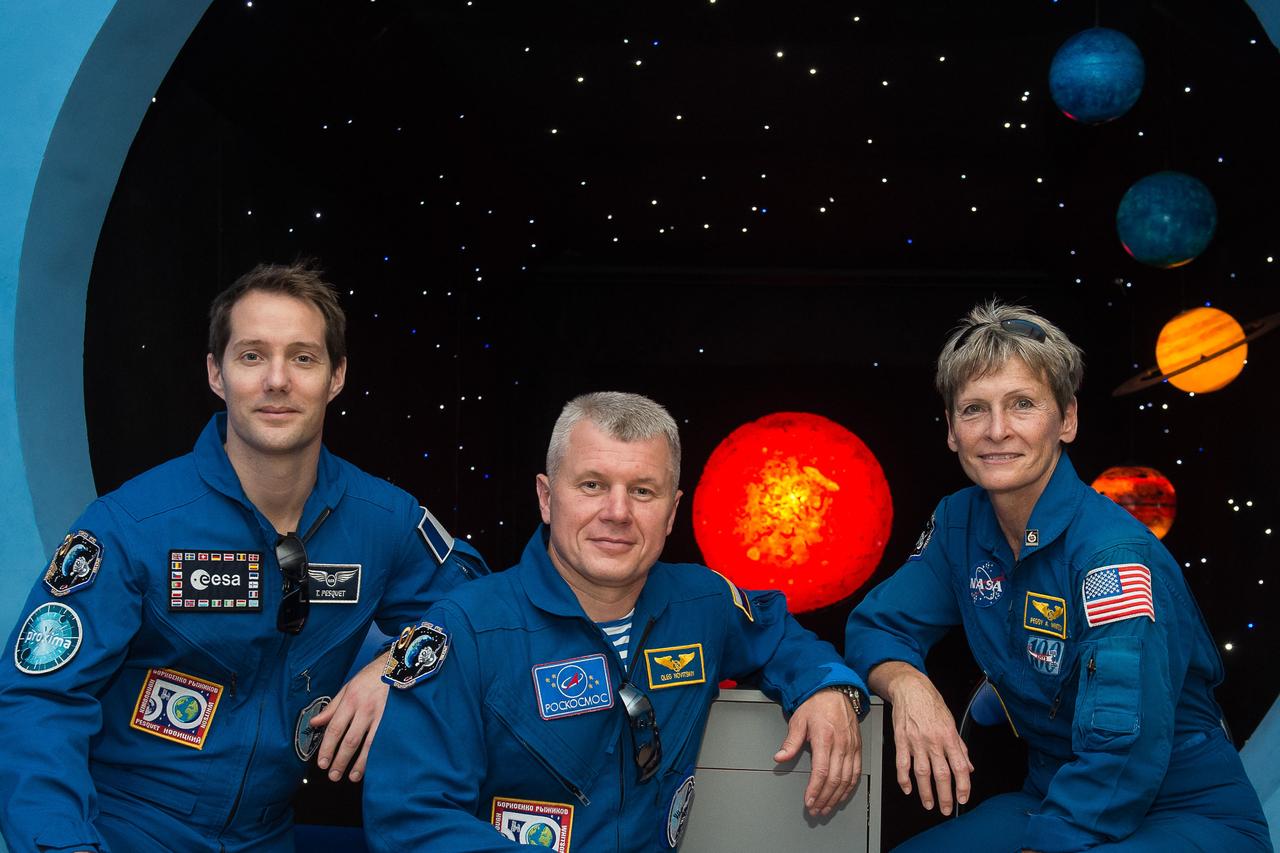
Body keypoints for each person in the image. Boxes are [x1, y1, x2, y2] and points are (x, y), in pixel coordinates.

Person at [0, 262, 488, 853]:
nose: (277, 381)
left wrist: (397, 666)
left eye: (303, 358)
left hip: (266, 834)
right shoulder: (131, 525)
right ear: (216, 373)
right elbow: (39, 701)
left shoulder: (381, 520)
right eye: (252, 356)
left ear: (336, 377)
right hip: (124, 828)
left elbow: (480, 609)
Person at [845, 300, 1272, 852]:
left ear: (1067, 419)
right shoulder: (960, 522)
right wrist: (909, 684)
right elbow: (876, 626)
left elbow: (1125, 747)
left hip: (1179, 809)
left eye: (1022, 404)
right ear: (951, 430)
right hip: (1054, 791)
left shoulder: (1111, 558)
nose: (997, 431)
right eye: (974, 409)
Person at [363, 391, 870, 851]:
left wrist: (826, 690)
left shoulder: (702, 602)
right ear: (546, 496)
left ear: (672, 513)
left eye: (643, 491)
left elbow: (780, 637)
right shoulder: (467, 629)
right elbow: (410, 817)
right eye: (592, 484)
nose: (617, 512)